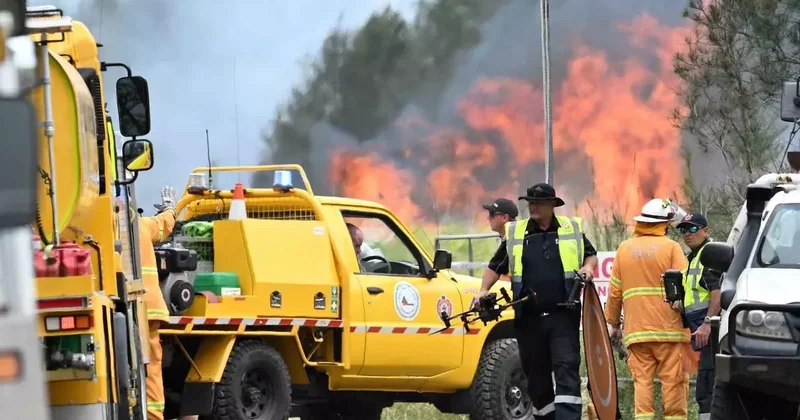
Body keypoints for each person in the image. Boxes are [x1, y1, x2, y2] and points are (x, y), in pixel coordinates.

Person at [479, 183, 598, 420]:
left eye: (538, 202)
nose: (532, 206)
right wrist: (483, 290)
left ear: (552, 205)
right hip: (529, 319)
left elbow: (590, 253)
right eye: (530, 202)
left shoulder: (570, 228)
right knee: (536, 378)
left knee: (566, 369)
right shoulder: (517, 233)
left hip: (563, 315)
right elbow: (495, 266)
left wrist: (588, 267)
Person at [604, 198, 690, 420]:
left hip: (637, 332)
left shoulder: (624, 249)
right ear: (664, 224)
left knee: (642, 383)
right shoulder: (671, 248)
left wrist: (613, 324)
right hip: (669, 330)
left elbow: (614, 292)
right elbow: (686, 284)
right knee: (673, 382)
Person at [674, 213, 721, 420]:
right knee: (705, 386)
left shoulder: (709, 256)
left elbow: (717, 293)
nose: (687, 234)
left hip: (711, 331)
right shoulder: (693, 258)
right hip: (701, 330)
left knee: (707, 387)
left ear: (706, 231)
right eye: (683, 230)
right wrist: (680, 305)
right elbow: (698, 295)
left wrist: (708, 323)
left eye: (693, 229)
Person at [138, 185, 178, 420]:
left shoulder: (97, 226)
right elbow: (164, 225)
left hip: (122, 310)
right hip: (150, 309)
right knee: (151, 365)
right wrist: (170, 208)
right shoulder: (140, 224)